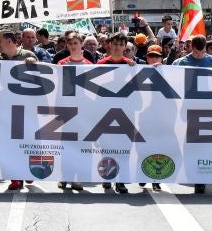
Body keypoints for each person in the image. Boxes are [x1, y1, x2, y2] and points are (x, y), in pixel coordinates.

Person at [0, 31, 38, 191]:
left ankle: (28, 171)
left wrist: (35, 65)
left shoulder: (28, 55)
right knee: (9, 144)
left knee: (29, 141)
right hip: (6, 110)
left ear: (10, 41)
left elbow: (39, 80)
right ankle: (15, 177)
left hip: (28, 108)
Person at [172, 35, 212, 194]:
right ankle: (191, 172)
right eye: (197, 53)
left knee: (204, 144)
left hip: (207, 109)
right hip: (187, 109)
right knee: (188, 144)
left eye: (202, 53)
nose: (199, 56)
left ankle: (200, 179)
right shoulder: (179, 63)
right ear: (191, 47)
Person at [96, 32, 136, 194]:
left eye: (121, 44)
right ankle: (107, 177)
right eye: (115, 43)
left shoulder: (132, 65)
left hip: (126, 114)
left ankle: (121, 181)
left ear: (125, 46)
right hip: (106, 114)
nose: (118, 47)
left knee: (124, 149)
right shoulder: (101, 64)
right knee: (107, 148)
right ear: (109, 45)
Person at [56, 32, 90, 191]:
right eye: (70, 43)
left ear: (81, 44)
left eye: (76, 43)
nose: (73, 46)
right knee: (66, 146)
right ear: (67, 46)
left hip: (83, 111)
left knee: (80, 146)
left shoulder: (89, 65)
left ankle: (77, 178)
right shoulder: (61, 63)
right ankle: (64, 177)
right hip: (65, 110)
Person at [139, 44, 165, 192]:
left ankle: (156, 179)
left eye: (157, 56)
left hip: (161, 118)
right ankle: (142, 175)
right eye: (151, 56)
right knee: (143, 148)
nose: (154, 58)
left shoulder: (169, 72)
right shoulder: (138, 71)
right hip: (143, 117)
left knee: (158, 148)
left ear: (161, 58)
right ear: (146, 57)